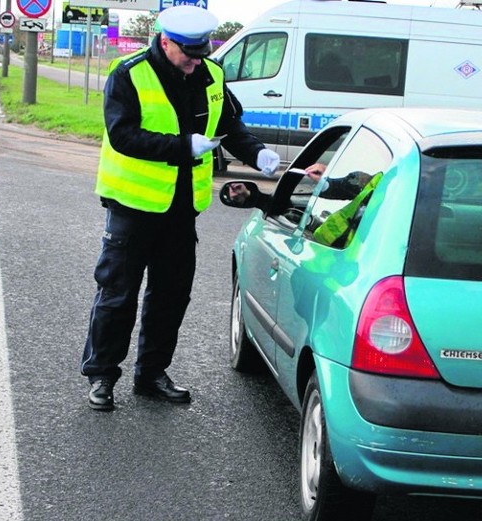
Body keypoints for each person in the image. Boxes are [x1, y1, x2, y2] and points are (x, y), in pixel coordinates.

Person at [81, 5, 280, 411]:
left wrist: (257, 154)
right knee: (118, 296)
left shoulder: (210, 73)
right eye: (188, 54)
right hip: (132, 206)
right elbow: (123, 136)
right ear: (165, 41)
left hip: (181, 208)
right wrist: (180, 147)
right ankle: (102, 375)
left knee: (171, 295)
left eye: (200, 55)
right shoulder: (129, 73)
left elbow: (229, 125)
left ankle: (152, 373)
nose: (194, 63)